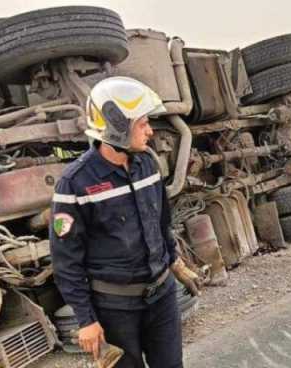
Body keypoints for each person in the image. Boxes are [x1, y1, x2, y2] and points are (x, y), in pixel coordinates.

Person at [50, 77, 201, 367]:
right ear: (117, 127)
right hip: (114, 309)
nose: (150, 130)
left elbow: (161, 223)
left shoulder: (148, 163)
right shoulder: (75, 183)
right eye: (142, 123)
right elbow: (65, 260)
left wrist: (176, 264)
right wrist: (86, 320)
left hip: (161, 296)